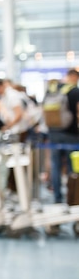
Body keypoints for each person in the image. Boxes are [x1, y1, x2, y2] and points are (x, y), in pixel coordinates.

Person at [47, 69, 79, 203]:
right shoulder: (74, 91)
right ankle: (72, 198)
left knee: (56, 166)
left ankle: (57, 198)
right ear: (74, 77)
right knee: (73, 168)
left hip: (53, 133)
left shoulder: (52, 89)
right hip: (71, 134)